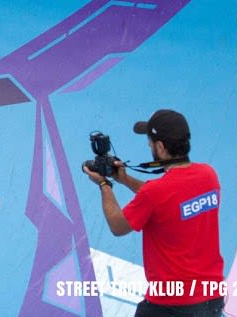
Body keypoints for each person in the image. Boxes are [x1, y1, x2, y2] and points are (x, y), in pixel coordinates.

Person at [83, 109, 224, 317]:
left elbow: (117, 225)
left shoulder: (155, 192)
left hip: (171, 305)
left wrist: (104, 184)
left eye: (149, 141)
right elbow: (169, 199)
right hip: (211, 299)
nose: (148, 145)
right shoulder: (208, 175)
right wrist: (125, 179)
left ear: (160, 146)